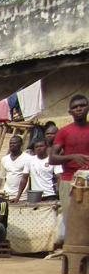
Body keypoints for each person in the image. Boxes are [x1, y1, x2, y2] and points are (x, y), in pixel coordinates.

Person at [50, 94, 89, 249]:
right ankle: (73, 254)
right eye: (75, 107)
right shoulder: (64, 132)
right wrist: (72, 157)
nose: (79, 109)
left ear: (88, 108)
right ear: (70, 112)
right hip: (69, 180)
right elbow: (52, 158)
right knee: (71, 220)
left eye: (82, 106)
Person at [0, 135, 30, 203]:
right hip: (7, 195)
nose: (12, 145)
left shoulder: (27, 158)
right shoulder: (4, 159)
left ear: (21, 144)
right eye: (11, 143)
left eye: (15, 143)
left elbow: (25, 178)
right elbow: (4, 177)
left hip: (22, 197)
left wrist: (18, 197)